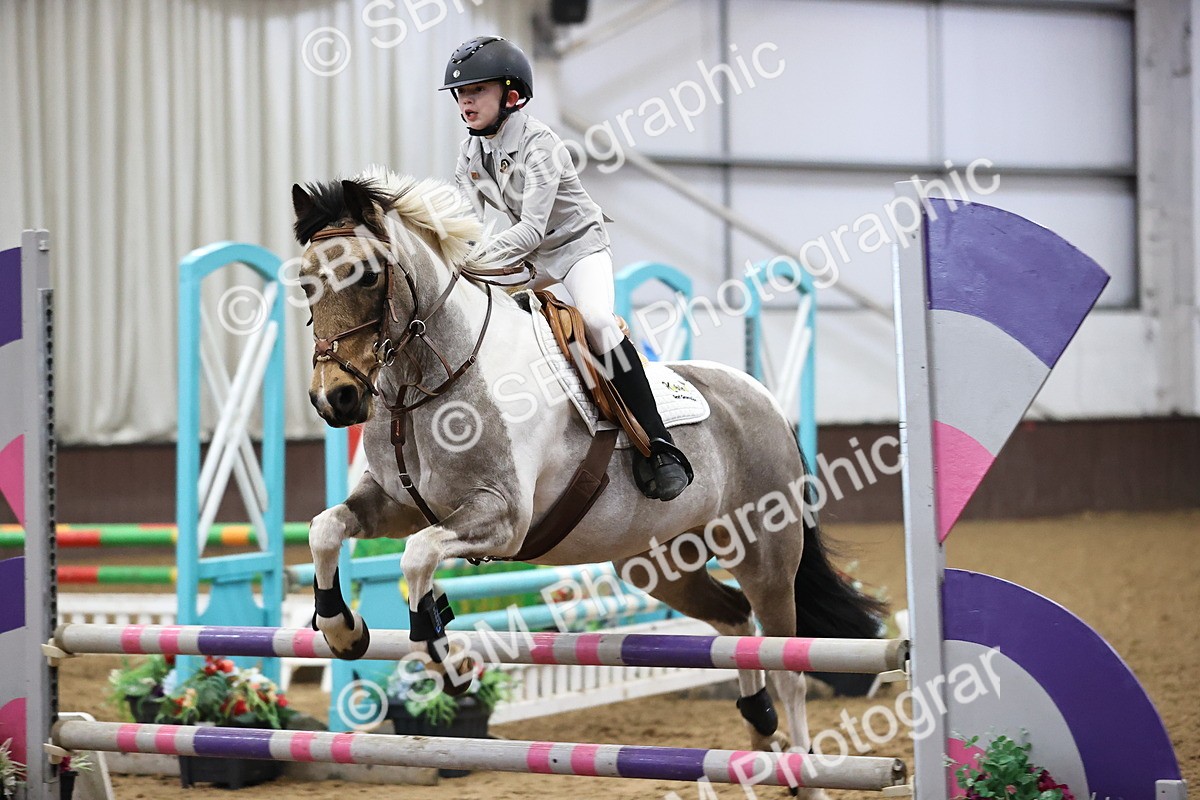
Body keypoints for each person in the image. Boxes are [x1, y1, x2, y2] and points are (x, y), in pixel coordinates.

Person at [441, 35, 692, 502]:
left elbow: (532, 229)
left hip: (577, 248)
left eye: (477, 90)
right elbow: (465, 227)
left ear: (511, 95)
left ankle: (661, 444)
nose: (465, 101)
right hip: (533, 260)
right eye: (461, 93)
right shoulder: (470, 154)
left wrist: (474, 261)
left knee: (596, 320)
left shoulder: (542, 145)